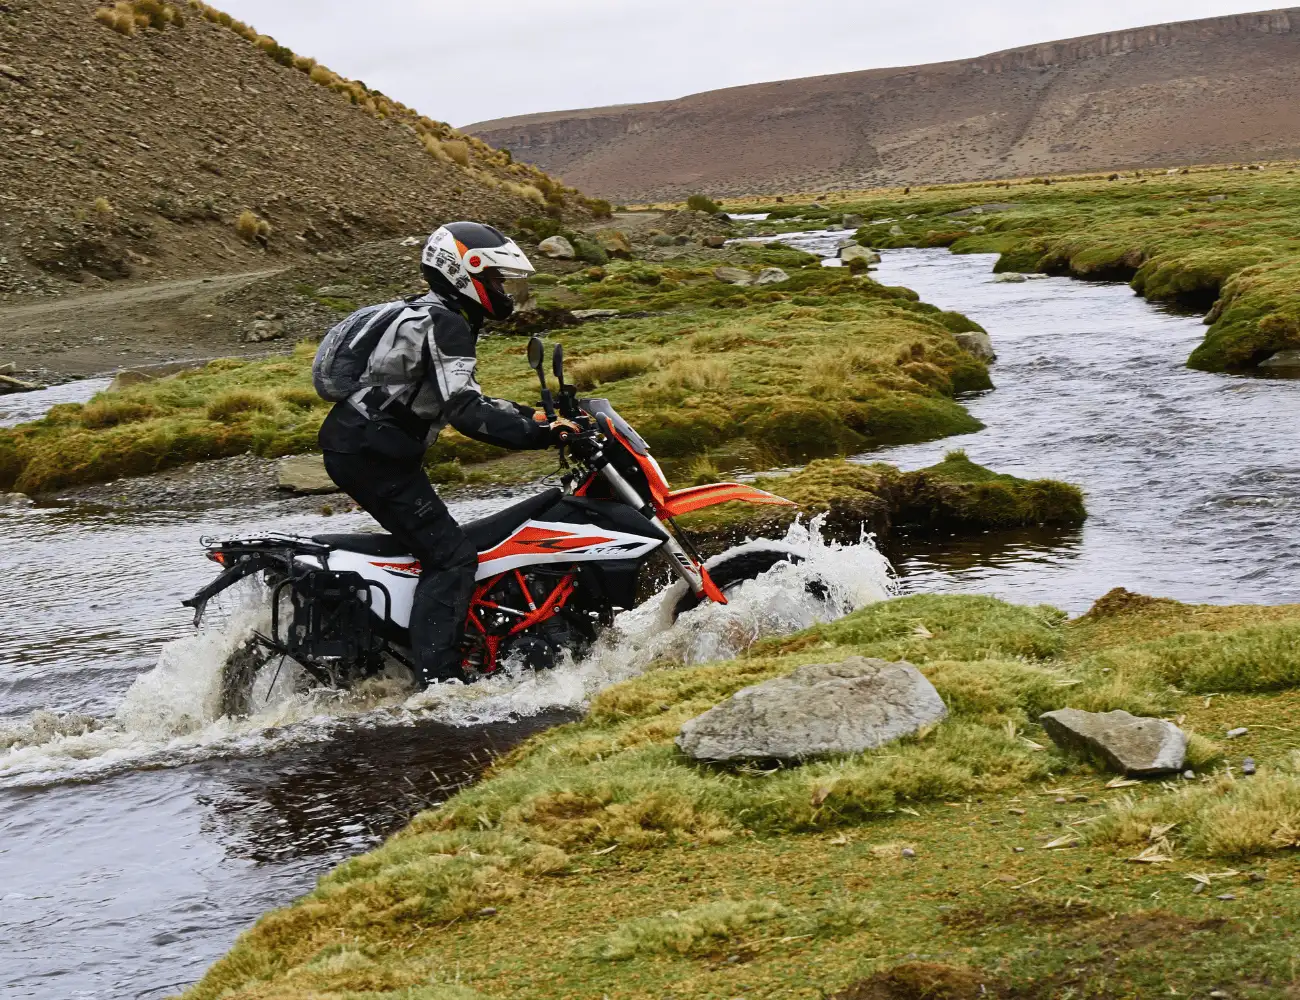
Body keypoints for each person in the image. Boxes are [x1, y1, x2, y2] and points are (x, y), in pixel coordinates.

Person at [318, 221, 570, 687]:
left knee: (434, 544)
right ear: (462, 272)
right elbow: (467, 413)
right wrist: (544, 438)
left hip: (368, 444)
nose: (502, 290)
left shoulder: (436, 315)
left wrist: (535, 417)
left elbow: (464, 395)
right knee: (451, 557)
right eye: (494, 279)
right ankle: (440, 682)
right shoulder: (446, 323)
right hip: (369, 452)